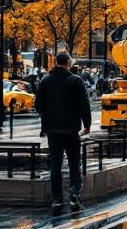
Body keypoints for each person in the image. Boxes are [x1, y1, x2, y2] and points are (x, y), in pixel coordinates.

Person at [34, 53, 92, 211]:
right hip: (71, 129)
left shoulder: (45, 81)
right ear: (68, 62)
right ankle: (74, 195)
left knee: (55, 165)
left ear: (57, 63)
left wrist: (48, 114)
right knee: (74, 163)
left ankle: (57, 199)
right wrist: (87, 124)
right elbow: (84, 104)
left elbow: (38, 105)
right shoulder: (76, 80)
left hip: (53, 130)